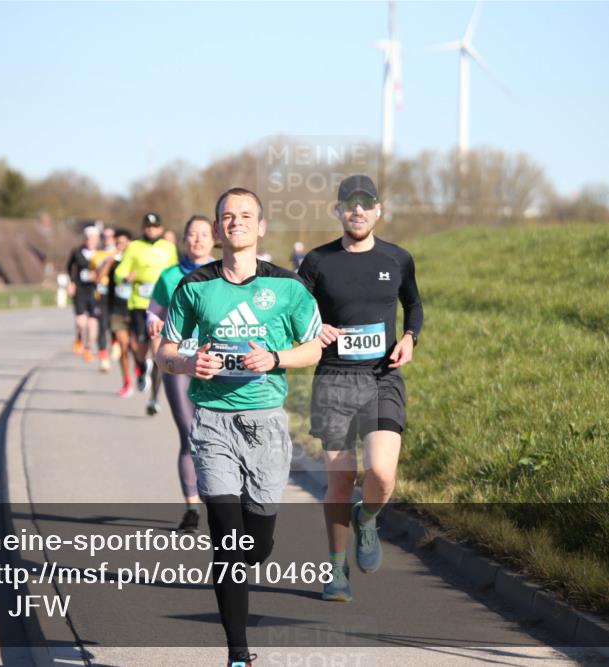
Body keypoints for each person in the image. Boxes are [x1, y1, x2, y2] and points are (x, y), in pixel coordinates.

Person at [157, 188, 323, 667]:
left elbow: (313, 348)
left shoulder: (288, 288)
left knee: (257, 545)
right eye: (228, 217)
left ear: (261, 227)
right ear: (217, 228)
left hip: (266, 426)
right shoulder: (194, 288)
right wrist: (190, 363)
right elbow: (166, 353)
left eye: (246, 216)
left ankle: (242, 566)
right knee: (228, 541)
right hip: (212, 424)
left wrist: (274, 357)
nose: (236, 223)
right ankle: (237, 654)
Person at [297, 174, 423, 603]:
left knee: (382, 475)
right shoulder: (317, 261)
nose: (357, 210)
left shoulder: (398, 258)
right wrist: (316, 328)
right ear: (337, 211)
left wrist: (409, 338)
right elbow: (296, 312)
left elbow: (415, 305)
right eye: (349, 204)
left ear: (378, 210)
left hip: (381, 377)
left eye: (365, 203)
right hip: (332, 378)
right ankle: (335, 571)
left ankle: (367, 518)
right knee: (339, 479)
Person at [146, 215, 216, 533]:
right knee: (189, 434)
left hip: (215, 362)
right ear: (184, 240)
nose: (198, 240)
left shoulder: (223, 274)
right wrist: (153, 324)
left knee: (218, 434)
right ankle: (191, 508)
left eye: (204, 234)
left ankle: (220, 495)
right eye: (192, 234)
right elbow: (153, 310)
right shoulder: (170, 275)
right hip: (179, 360)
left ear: (213, 238)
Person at [113, 213, 178, 403]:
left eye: (155, 226)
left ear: (161, 229)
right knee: (138, 346)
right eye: (148, 226)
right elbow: (119, 271)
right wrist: (125, 277)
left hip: (161, 305)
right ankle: (142, 366)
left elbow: (175, 271)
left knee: (157, 347)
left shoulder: (168, 248)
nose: (151, 230)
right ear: (143, 228)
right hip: (139, 304)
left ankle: (154, 398)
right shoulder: (134, 247)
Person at [99, 228, 134, 393]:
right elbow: (100, 278)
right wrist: (109, 262)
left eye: (123, 243)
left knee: (135, 346)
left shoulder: (136, 260)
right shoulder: (113, 260)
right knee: (123, 346)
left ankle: (140, 367)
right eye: (117, 243)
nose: (120, 246)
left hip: (135, 309)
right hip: (117, 309)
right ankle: (127, 381)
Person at [66, 225, 101, 363]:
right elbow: (69, 268)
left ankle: (88, 347)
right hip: (80, 289)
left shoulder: (101, 252)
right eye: (87, 237)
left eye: (93, 238)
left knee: (92, 322)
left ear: (97, 239)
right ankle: (79, 337)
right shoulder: (77, 251)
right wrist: (71, 283)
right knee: (81, 322)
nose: (90, 240)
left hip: (95, 290)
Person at [90, 226, 121, 372]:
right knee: (102, 326)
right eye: (105, 236)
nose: (108, 239)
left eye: (111, 236)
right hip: (102, 293)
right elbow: (94, 277)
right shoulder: (97, 255)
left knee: (114, 324)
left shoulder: (121, 252)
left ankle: (115, 343)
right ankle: (103, 359)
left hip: (116, 294)